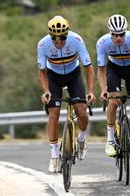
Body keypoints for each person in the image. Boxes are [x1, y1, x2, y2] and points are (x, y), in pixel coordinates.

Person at [37, 15, 96, 173]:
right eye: (55, 38)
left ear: (67, 34)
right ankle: (55, 155)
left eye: (62, 37)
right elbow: (41, 72)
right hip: (53, 77)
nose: (58, 41)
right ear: (50, 35)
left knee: (82, 112)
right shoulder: (43, 44)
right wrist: (46, 91)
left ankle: (82, 139)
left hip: (73, 76)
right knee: (53, 114)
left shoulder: (76, 40)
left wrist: (90, 91)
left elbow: (89, 68)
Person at [96, 14, 130, 162]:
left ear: (125, 32)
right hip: (114, 69)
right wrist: (103, 90)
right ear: (110, 33)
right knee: (114, 102)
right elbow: (100, 70)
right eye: (115, 35)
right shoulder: (102, 43)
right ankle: (110, 140)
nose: (118, 38)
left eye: (121, 34)